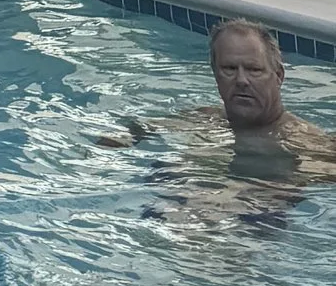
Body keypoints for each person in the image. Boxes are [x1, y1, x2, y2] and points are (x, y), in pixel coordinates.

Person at [109, 19, 336, 180]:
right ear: (215, 73)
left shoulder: (302, 140)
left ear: (278, 76)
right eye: (229, 68)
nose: (241, 80)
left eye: (254, 69)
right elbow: (140, 129)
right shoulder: (206, 119)